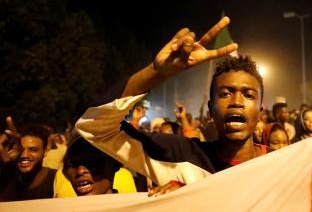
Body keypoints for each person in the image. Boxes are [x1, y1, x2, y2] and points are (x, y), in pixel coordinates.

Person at [75, 17, 274, 192]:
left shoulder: (283, 163)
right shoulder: (182, 156)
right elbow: (94, 127)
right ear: (211, 109)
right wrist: (156, 73)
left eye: (248, 95)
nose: (236, 102)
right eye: (225, 94)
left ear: (260, 112)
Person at [0, 117, 56, 201]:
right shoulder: (7, 180)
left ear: (45, 151)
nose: (24, 155)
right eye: (20, 150)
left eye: (33, 150)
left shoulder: (57, 179)